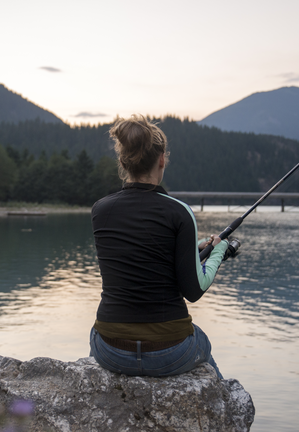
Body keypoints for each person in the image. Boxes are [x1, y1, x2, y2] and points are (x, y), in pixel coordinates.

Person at [89, 114, 230, 379]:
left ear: (122, 161)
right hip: (171, 351)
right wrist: (218, 250)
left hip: (110, 349)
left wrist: (192, 246)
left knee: (98, 334)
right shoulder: (179, 212)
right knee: (203, 342)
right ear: (162, 159)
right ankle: (223, 405)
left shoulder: (100, 210)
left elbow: (139, 252)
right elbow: (194, 290)